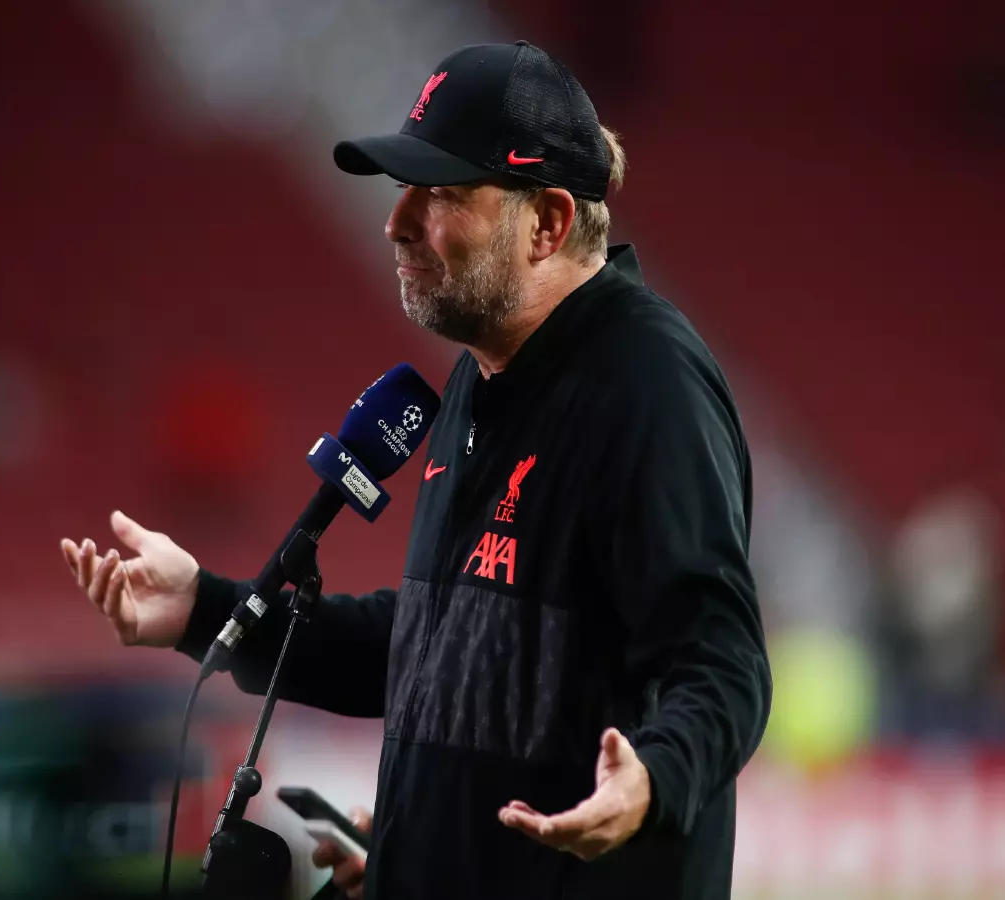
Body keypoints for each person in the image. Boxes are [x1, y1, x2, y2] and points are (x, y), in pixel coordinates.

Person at [62, 40, 771, 900]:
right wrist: (206, 609)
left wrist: (653, 779)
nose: (396, 223)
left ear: (546, 222)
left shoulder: (646, 386)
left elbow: (721, 659)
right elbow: (439, 645)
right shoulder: (483, 375)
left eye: (440, 196)